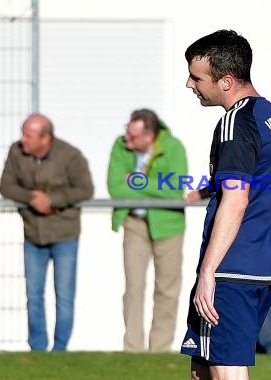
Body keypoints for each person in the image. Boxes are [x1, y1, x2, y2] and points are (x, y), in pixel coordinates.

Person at [179, 30, 271, 380]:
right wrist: (256, 235)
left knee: (225, 372)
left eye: (196, 77)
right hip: (260, 269)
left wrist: (208, 271)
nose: (190, 84)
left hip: (229, 271)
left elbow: (235, 200)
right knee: (202, 369)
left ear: (227, 80)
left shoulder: (235, 122)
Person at [0, 114, 94, 351]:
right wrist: (33, 199)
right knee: (33, 296)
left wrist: (52, 200)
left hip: (65, 236)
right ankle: (38, 348)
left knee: (64, 297)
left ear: (45, 137)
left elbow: (85, 189)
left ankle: (60, 350)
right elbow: (6, 186)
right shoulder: (16, 152)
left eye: (28, 135)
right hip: (33, 234)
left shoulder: (70, 155)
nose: (23, 140)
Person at [107, 108, 187, 352]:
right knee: (133, 288)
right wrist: (153, 186)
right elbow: (115, 187)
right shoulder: (120, 147)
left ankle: (160, 350)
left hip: (168, 227)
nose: (127, 139)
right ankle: (133, 350)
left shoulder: (173, 147)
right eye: (127, 133)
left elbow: (175, 190)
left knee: (167, 289)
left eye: (133, 136)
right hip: (134, 224)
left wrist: (137, 180)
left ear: (149, 136)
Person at [188, 189, 271, 356]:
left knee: (267, 288)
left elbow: (241, 173)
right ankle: (264, 342)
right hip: (263, 220)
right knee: (263, 287)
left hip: (259, 220)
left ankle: (269, 342)